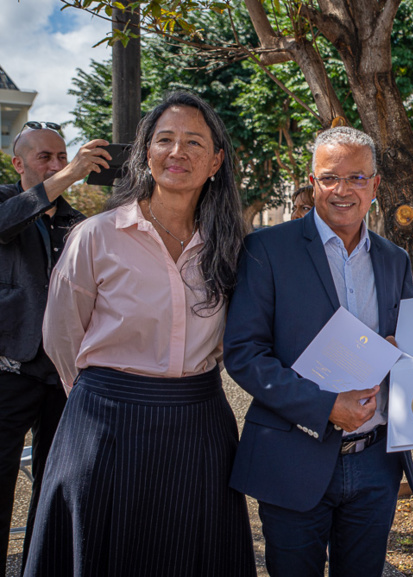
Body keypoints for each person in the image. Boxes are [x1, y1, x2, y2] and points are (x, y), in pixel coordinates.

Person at [24, 92, 256, 577]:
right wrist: (102, 396)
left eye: (194, 141)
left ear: (216, 161)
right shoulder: (96, 235)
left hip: (199, 426)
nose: (178, 152)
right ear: (146, 154)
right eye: (165, 139)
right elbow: (62, 335)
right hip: (103, 426)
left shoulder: (231, 247)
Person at [223, 126, 413, 577]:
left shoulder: (395, 259)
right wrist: (325, 406)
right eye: (330, 178)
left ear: (376, 185)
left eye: (357, 178)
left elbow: (410, 346)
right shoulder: (266, 249)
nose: (343, 190)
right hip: (294, 454)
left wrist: (404, 352)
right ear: (312, 183)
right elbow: (244, 353)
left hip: (375, 461)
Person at [0, 123, 109, 569]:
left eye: (63, 157)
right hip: (7, 368)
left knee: (54, 485)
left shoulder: (77, 222)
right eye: (46, 157)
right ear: (18, 162)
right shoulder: (6, 203)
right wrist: (69, 176)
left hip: (62, 373)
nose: (58, 165)